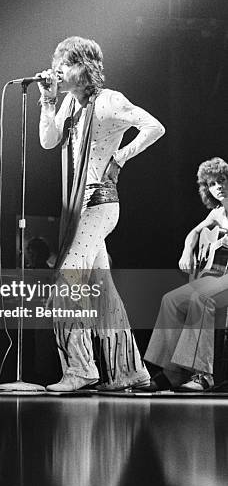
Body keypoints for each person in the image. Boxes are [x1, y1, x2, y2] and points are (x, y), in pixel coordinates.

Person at [38, 36, 165, 392]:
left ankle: (80, 368)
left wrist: (121, 157)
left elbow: (154, 126)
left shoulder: (110, 100)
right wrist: (48, 101)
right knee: (102, 292)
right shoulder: (69, 106)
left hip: (99, 202)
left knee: (66, 282)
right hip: (79, 206)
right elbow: (48, 141)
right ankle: (131, 371)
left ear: (85, 67)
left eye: (66, 63)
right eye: (58, 62)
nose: (59, 69)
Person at [144, 157, 228, 391]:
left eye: (222, 180)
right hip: (217, 275)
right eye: (212, 183)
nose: (218, 186)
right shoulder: (218, 213)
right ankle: (173, 373)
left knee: (200, 299)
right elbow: (194, 232)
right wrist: (186, 250)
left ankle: (204, 374)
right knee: (170, 300)